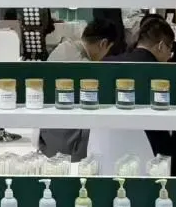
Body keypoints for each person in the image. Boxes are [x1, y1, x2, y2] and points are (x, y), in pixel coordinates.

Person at [91, 16, 176, 175]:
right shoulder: (162, 76)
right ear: (161, 46)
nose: (169, 57)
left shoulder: (106, 64)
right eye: (170, 51)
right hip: (150, 158)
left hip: (103, 152)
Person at [38, 18, 120, 160]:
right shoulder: (86, 67)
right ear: (103, 44)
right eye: (108, 49)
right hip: (69, 144)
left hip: (47, 135)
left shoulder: (63, 47)